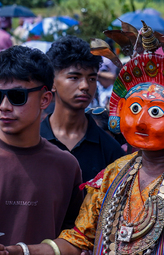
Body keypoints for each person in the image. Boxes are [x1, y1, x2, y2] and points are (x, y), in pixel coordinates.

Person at [0, 23, 164, 254]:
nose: (140, 121)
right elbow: (78, 239)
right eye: (133, 109)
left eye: (155, 112)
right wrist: (20, 251)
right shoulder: (112, 175)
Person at [0, 46, 83, 246]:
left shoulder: (66, 166)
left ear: (45, 99)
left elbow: (76, 240)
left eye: (17, 96)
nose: (4, 106)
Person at [40, 36, 125, 183]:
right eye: (74, 77)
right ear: (52, 82)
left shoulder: (110, 149)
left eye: (92, 79)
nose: (85, 86)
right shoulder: (33, 139)